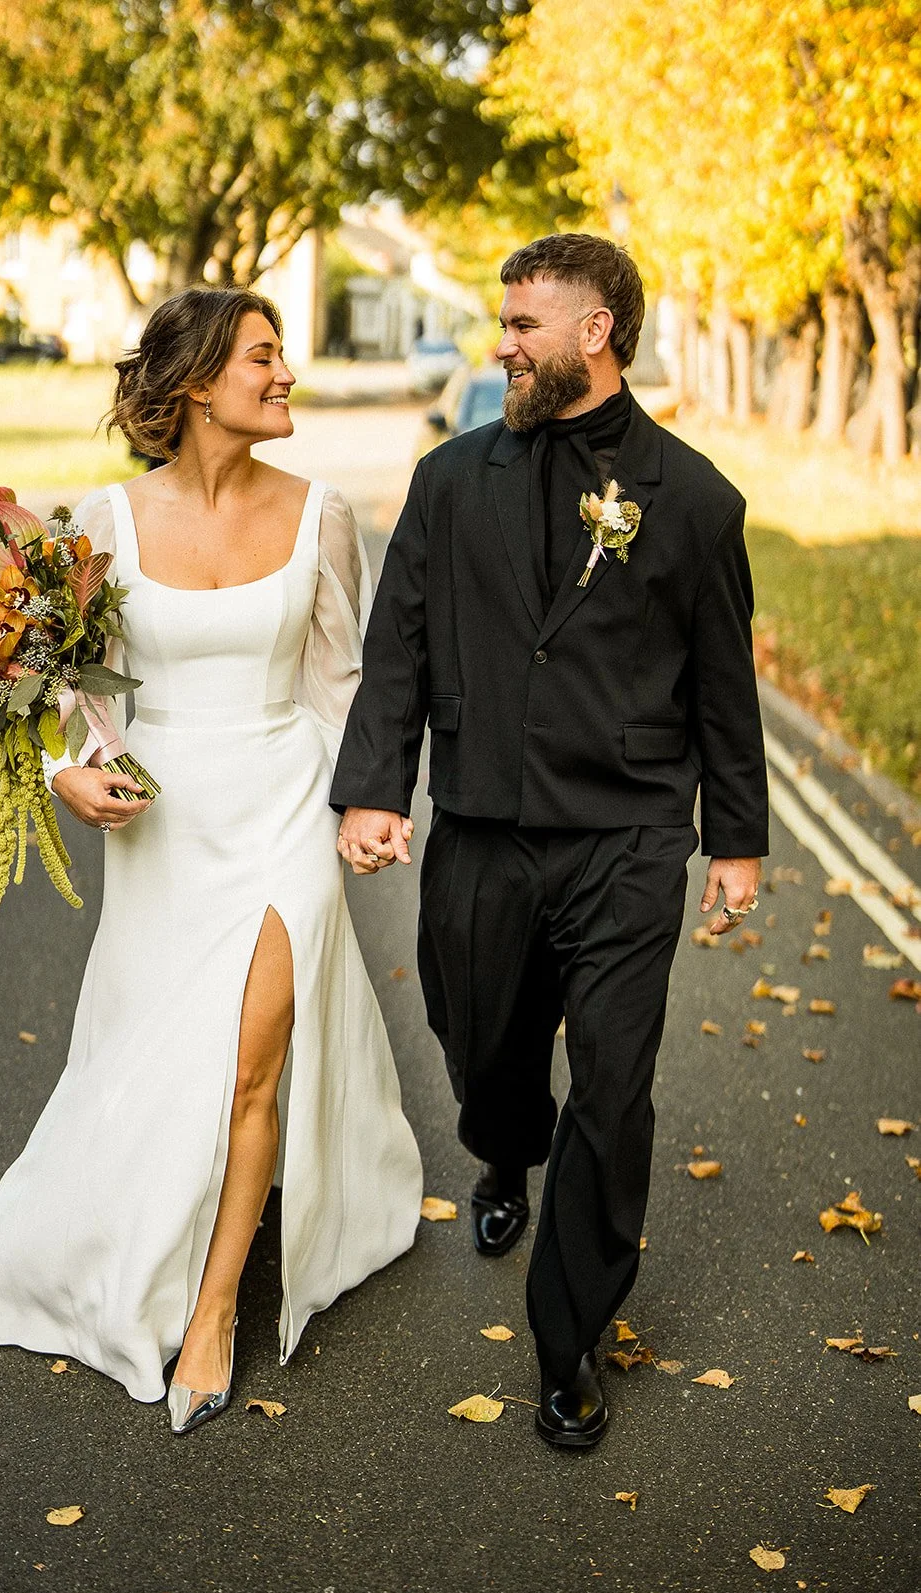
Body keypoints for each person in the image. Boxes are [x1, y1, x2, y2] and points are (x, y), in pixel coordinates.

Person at [0, 285, 423, 1434]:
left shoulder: (323, 517)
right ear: (198, 382)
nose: (285, 373)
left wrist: (368, 802)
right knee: (157, 1057)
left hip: (282, 803)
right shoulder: (102, 521)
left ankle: (211, 1313)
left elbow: (339, 684)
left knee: (257, 1056)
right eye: (263, 357)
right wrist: (66, 769)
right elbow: (65, 685)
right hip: (165, 826)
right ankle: (124, 1229)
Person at [332, 234, 768, 1449]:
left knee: (615, 1085)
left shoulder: (694, 500)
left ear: (597, 331)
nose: (502, 341)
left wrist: (731, 838)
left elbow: (722, 687)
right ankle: (500, 1147)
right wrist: (376, 787)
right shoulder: (447, 478)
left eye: (525, 322)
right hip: (479, 824)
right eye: (502, 319)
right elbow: (401, 641)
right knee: (479, 1041)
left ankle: (567, 1338)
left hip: (628, 836)